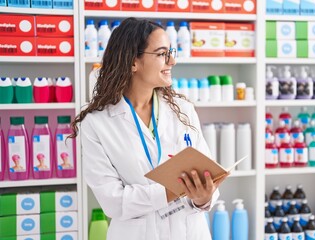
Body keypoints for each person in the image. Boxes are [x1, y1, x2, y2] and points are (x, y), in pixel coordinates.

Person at [70, 17, 228, 240]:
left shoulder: (183, 110)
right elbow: (113, 202)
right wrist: (175, 190)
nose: (172, 60)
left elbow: (208, 177)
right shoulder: (96, 123)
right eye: (162, 53)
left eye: (171, 51)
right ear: (133, 62)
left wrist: (202, 197)